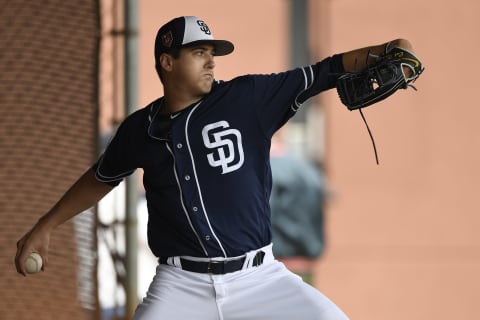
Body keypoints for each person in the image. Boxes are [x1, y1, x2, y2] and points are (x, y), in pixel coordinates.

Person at [15, 15, 419, 319]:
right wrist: (45, 226)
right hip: (180, 285)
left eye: (211, 53)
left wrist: (387, 49)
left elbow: (322, 72)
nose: (210, 62)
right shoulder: (139, 128)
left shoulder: (248, 99)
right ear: (167, 62)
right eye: (198, 53)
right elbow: (102, 177)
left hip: (259, 278)